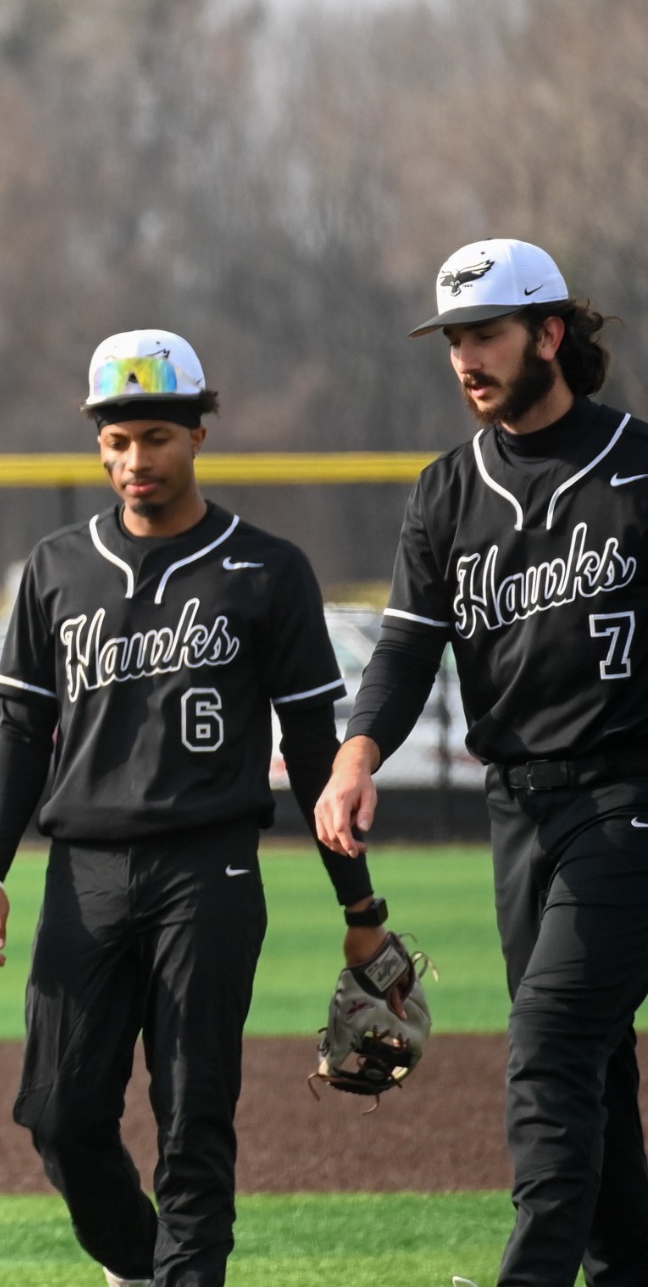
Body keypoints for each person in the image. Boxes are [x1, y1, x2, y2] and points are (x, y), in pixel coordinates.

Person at [0, 330, 391, 1287]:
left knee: (196, 1115)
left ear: (200, 432)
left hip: (212, 869)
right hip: (85, 875)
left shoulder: (266, 569)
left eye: (155, 434)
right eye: (115, 439)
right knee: (60, 1116)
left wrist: (360, 909)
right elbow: (22, 733)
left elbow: (318, 750)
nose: (134, 459)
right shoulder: (57, 566)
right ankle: (143, 1265)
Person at [316, 239, 648, 1287]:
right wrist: (355, 754)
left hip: (628, 796)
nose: (464, 357)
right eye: (452, 338)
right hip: (518, 811)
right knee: (593, 1063)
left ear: (548, 334)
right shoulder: (445, 493)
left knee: (548, 1041)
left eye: (485, 334)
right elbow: (407, 647)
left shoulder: (637, 467)